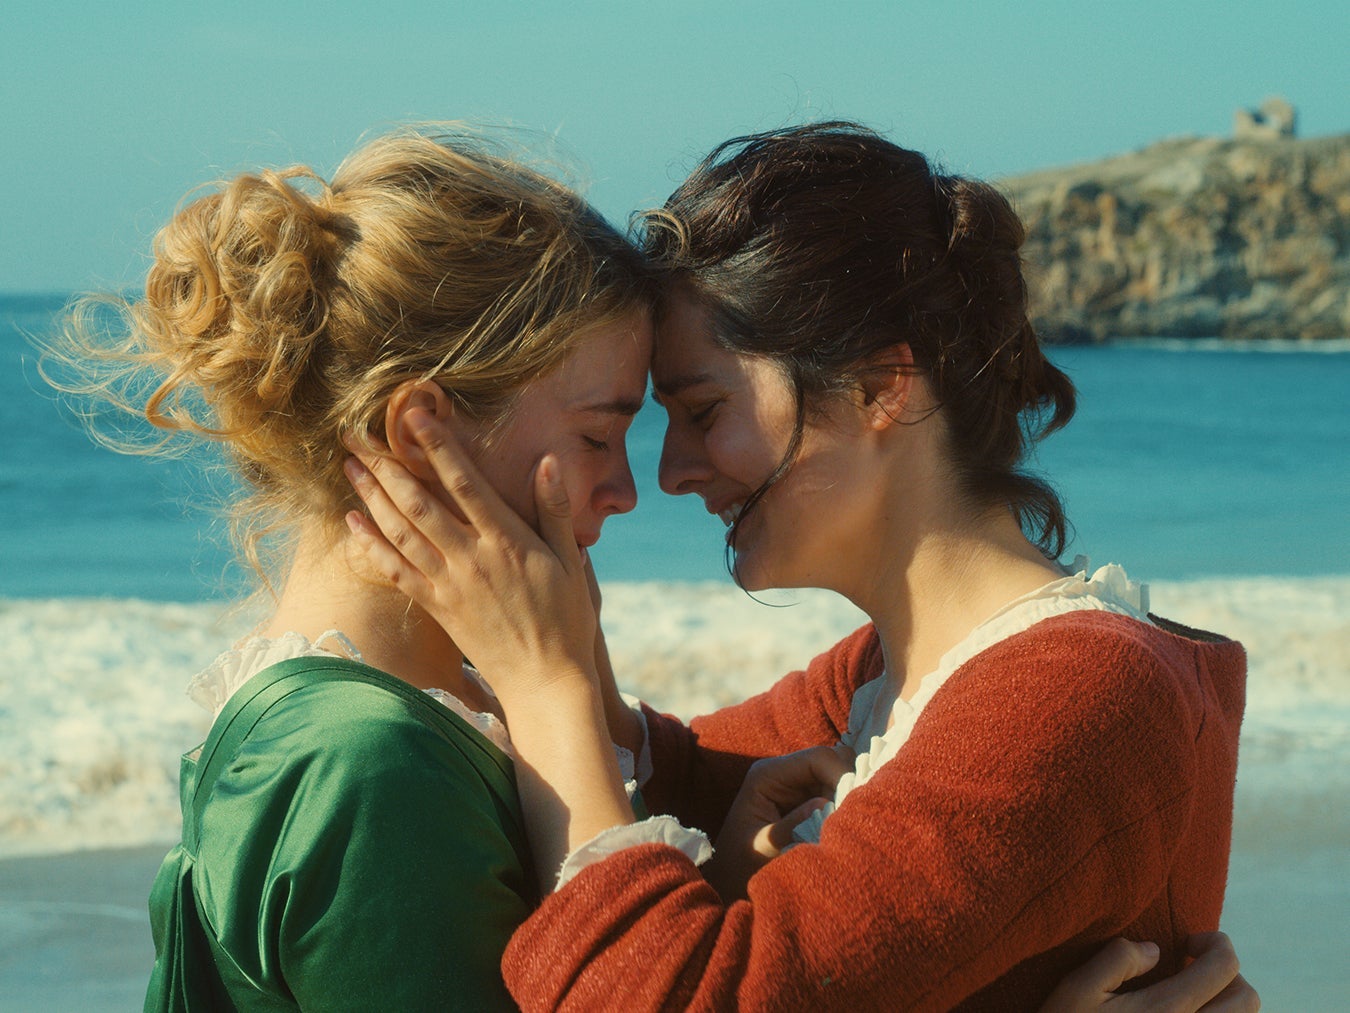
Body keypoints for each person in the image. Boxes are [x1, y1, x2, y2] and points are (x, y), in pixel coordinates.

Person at [344, 122, 1252, 1011]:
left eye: (702, 411)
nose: (671, 471)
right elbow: (685, 780)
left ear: (878, 387)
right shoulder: (881, 677)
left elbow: (679, 996)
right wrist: (562, 645)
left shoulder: (1075, 693)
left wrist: (544, 683)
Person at [47, 125, 656, 1009]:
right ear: (422, 431)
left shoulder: (419, 712)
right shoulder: (371, 768)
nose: (629, 489)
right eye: (599, 435)